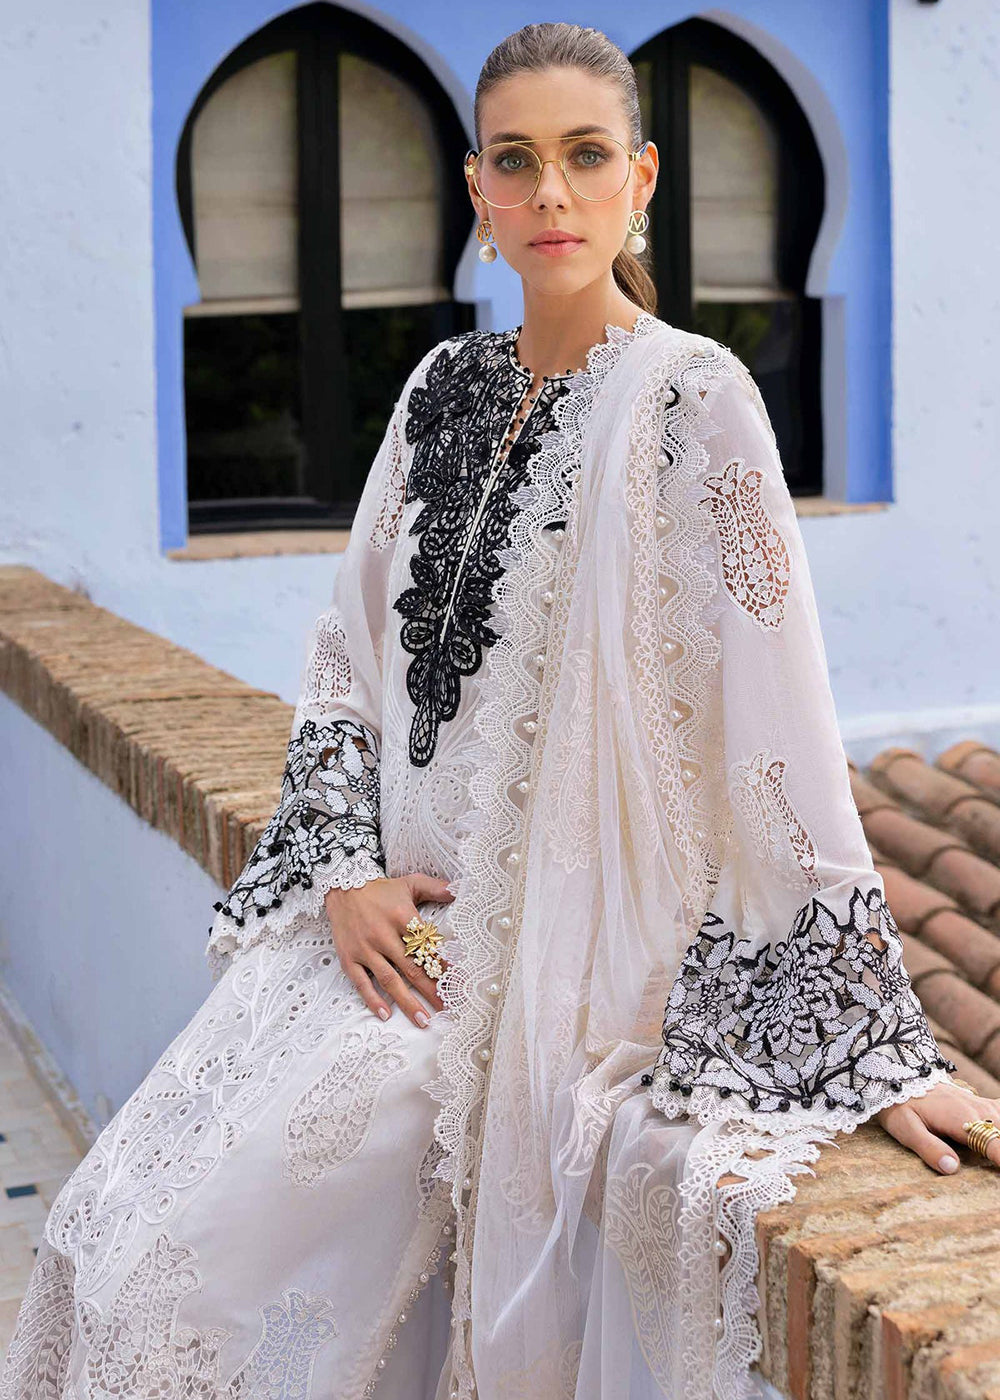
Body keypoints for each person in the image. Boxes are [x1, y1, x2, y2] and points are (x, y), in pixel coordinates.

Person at [3, 19, 997, 1400]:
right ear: (475, 189)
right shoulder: (441, 389)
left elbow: (782, 737)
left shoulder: (696, 402)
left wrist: (866, 1044)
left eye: (586, 155)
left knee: (195, 1280)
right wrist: (341, 872)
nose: (551, 193)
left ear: (642, 177)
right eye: (515, 161)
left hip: (548, 969)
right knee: (103, 1237)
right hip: (377, 939)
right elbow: (348, 655)